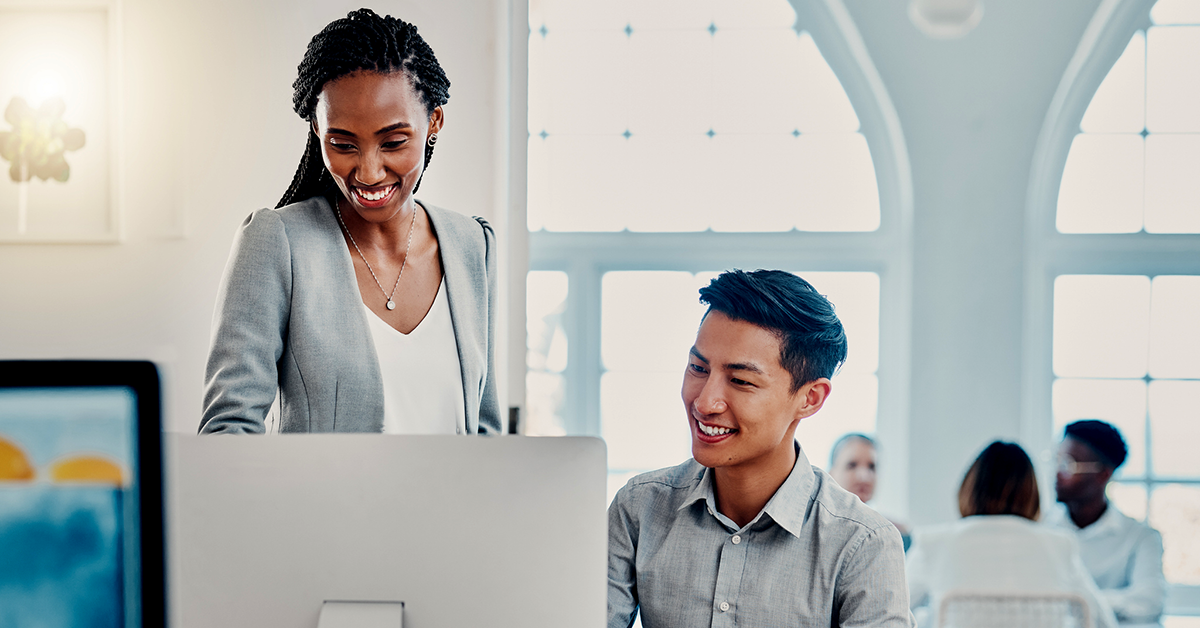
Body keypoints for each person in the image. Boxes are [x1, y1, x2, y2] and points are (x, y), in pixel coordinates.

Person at [200, 9, 499, 435]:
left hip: (455, 504)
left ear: (434, 121)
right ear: (317, 130)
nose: (369, 172)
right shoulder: (276, 243)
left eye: (393, 142)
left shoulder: (472, 245)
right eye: (342, 144)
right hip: (319, 504)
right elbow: (227, 432)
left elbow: (487, 434)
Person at [607, 269, 913, 628]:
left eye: (740, 381)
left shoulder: (863, 544)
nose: (705, 402)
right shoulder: (639, 509)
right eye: (698, 368)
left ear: (809, 399)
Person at [905, 441, 1118, 628]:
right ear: (1032, 493)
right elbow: (1103, 621)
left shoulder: (933, 542)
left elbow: (889, 614)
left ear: (969, 488)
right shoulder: (1061, 545)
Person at [1049, 420, 1166, 625]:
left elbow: (1149, 602)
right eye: (1057, 461)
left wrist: (1074, 600)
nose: (1058, 472)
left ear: (1103, 474)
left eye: (1068, 464)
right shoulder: (1042, 529)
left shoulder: (1141, 537)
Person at [829, 432, 912, 548]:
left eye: (871, 467)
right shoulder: (815, 530)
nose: (864, 476)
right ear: (830, 474)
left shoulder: (896, 535)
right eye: (852, 465)